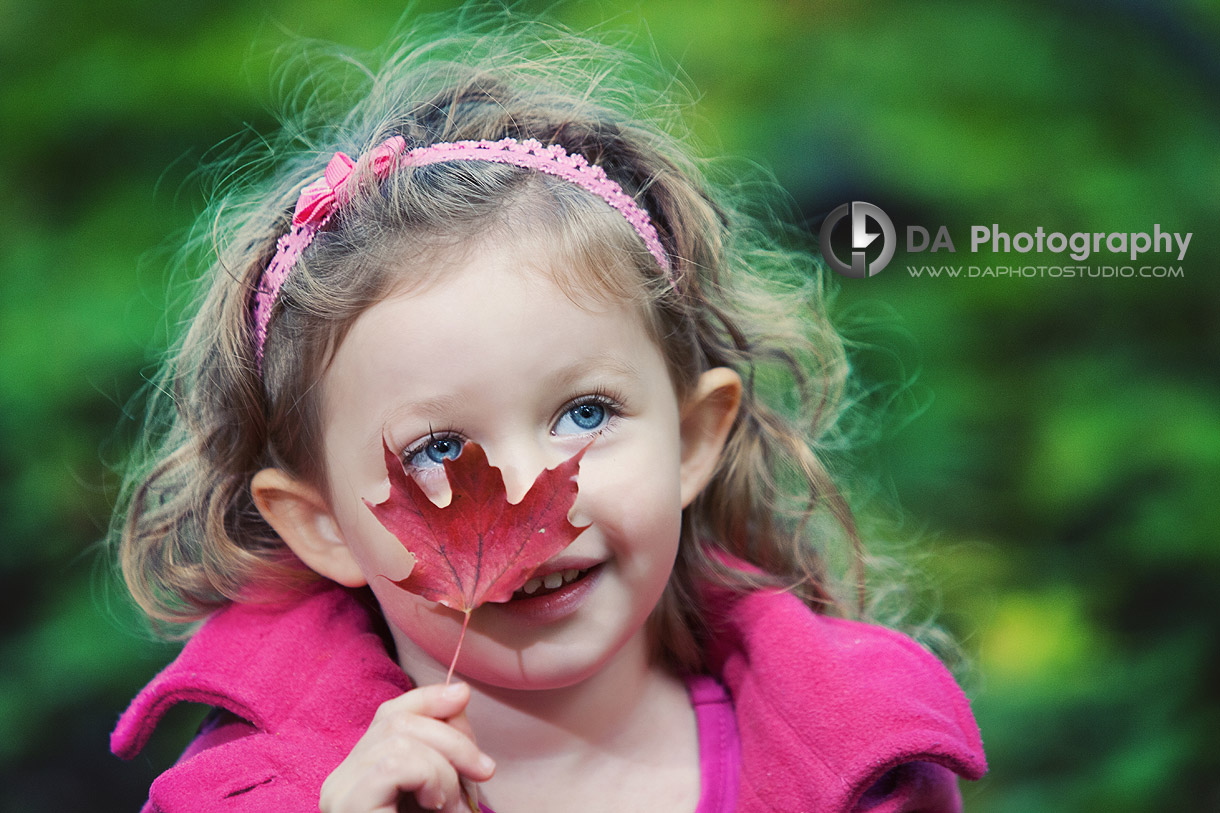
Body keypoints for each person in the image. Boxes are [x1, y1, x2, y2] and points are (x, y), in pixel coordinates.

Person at [110, 16, 985, 813]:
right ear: (322, 523)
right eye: (442, 448)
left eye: (586, 413)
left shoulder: (858, 771)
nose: (536, 491)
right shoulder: (251, 797)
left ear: (696, 436)